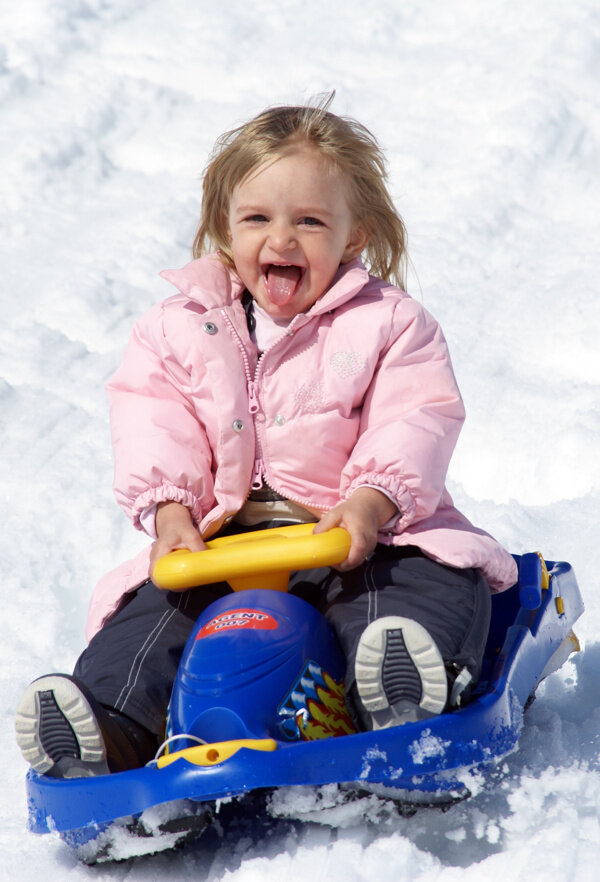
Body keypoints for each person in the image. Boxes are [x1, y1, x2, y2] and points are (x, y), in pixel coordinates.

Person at [15, 100, 517, 779]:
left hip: (360, 535)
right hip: (219, 545)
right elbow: (152, 419)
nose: (280, 239)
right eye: (257, 218)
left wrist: (372, 501)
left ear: (354, 235)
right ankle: (109, 732)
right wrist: (170, 511)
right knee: (150, 623)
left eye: (309, 221)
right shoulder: (178, 330)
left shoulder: (390, 325)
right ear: (226, 227)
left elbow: (415, 417)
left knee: (411, 590)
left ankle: (401, 694)